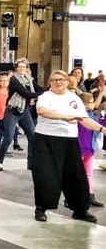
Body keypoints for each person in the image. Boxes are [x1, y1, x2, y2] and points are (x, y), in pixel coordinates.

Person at [32, 70, 100, 223]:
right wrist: (65, 117)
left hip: (69, 141)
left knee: (76, 175)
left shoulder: (74, 98)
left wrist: (102, 129)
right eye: (55, 80)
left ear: (67, 82)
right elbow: (42, 111)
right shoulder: (45, 97)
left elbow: (84, 119)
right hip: (46, 140)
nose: (58, 82)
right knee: (46, 175)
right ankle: (41, 208)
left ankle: (80, 210)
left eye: (62, 79)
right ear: (50, 82)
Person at [0, 59, 42, 171]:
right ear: (16, 68)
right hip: (12, 111)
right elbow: (27, 94)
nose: (22, 69)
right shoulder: (13, 79)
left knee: (32, 136)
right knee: (8, 137)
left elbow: (38, 89)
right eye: (19, 67)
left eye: (24, 67)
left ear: (27, 68)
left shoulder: (30, 80)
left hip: (24, 111)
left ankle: (30, 163)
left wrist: (50, 92)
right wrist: (45, 94)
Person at [76, 91, 105, 208]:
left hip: (90, 149)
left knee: (88, 174)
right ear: (84, 104)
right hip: (80, 149)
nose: (94, 104)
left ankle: (89, 195)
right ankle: (72, 197)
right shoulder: (78, 117)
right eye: (91, 102)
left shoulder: (92, 115)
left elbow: (100, 125)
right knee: (77, 174)